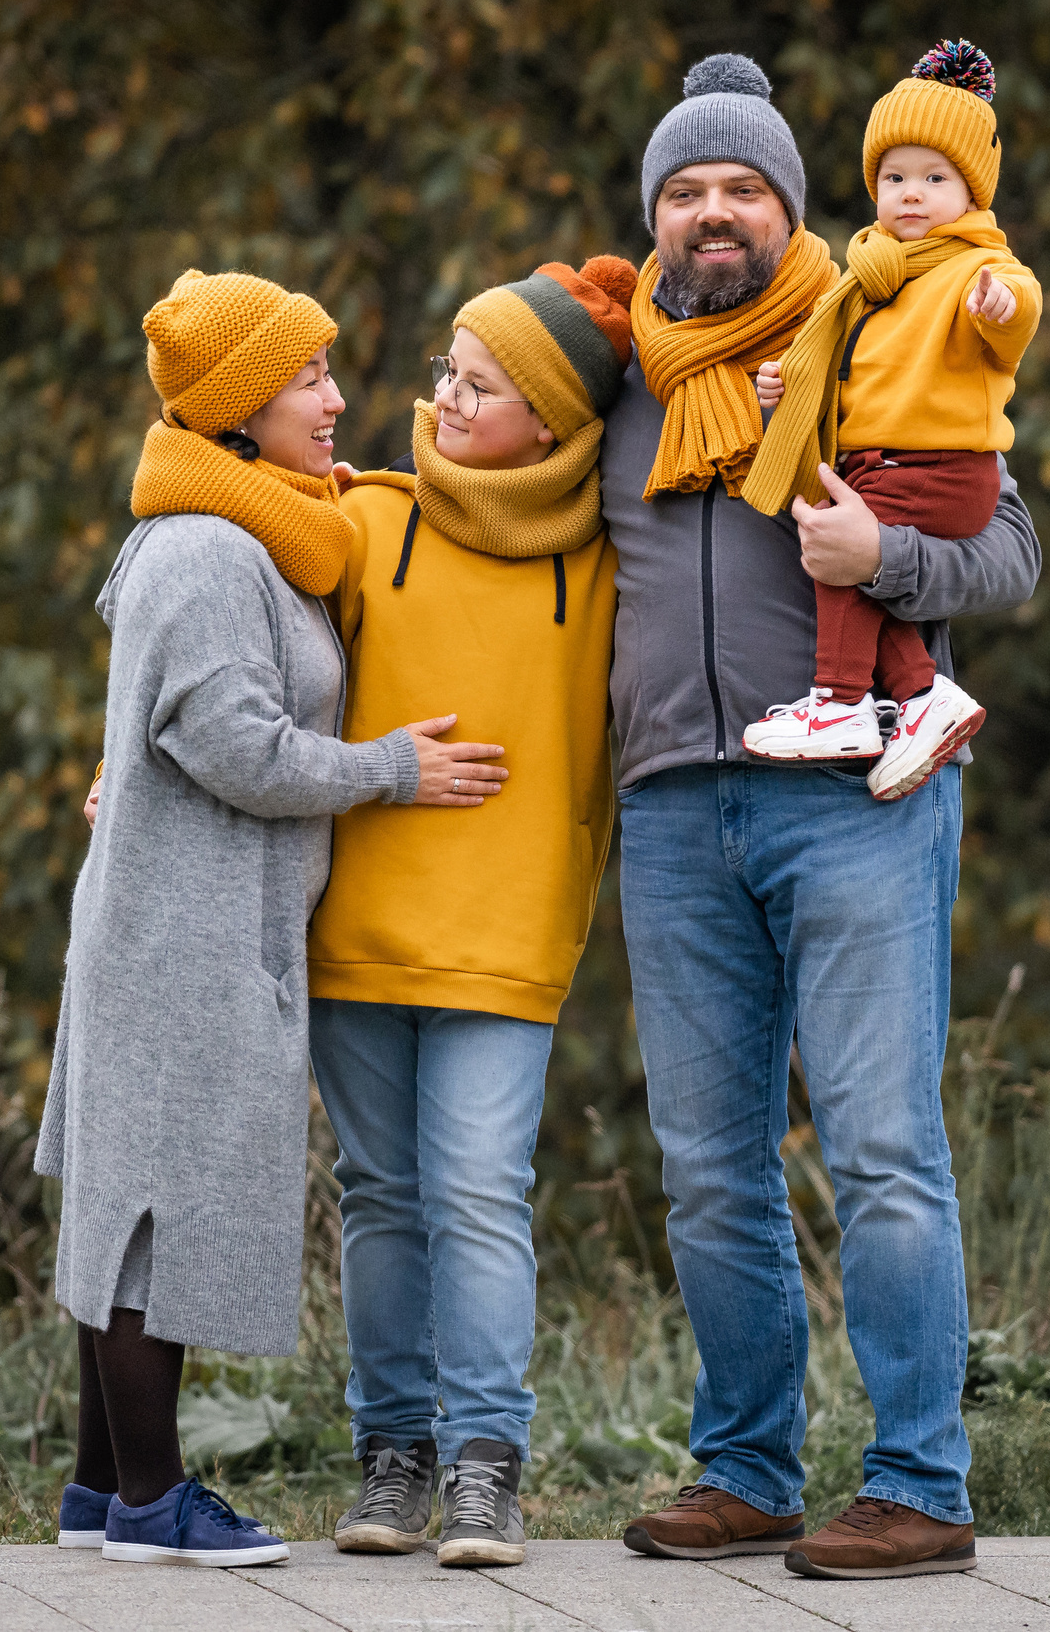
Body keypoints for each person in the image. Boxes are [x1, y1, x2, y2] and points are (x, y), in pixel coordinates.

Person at [599, 55, 1041, 1581]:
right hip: (668, 806)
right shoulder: (620, 379)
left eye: (744, 189)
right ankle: (748, 1467)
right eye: (685, 190)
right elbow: (459, 501)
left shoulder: (877, 329)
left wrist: (882, 559)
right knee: (711, 1162)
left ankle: (920, 1479)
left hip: (858, 795)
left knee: (879, 1146)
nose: (713, 213)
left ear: (794, 208)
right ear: (654, 215)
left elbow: (1011, 546)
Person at [37, 268, 508, 1567]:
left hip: (204, 928)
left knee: (136, 1205)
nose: (337, 397)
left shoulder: (249, 534)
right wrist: (388, 768)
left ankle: (98, 1491)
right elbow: (233, 742)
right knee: (149, 1216)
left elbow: (173, 717)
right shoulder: (204, 545)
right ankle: (151, 1501)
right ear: (243, 406)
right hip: (176, 940)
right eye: (309, 377)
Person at [307, 256, 636, 1569]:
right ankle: (393, 1456)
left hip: (510, 926)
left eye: (480, 383)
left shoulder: (615, 554)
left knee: (478, 1191)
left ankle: (488, 1466)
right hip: (360, 919)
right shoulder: (362, 519)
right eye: (449, 368)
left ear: (553, 424)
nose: (444, 396)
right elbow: (244, 653)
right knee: (380, 1193)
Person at [743, 38, 1042, 801]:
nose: (912, 193)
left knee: (844, 552)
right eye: (894, 177)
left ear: (972, 195)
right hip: (883, 458)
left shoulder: (976, 265)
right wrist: (792, 392)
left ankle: (841, 703)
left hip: (940, 467)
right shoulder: (869, 280)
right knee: (850, 553)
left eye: (935, 178)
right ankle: (924, 696)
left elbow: (1017, 307)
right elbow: (849, 379)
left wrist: (1002, 310)